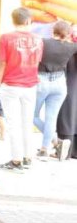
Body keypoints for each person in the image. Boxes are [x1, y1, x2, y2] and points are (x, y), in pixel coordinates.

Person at [0, 7, 44, 170]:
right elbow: (37, 62)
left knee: (13, 123)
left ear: (13, 20)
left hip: (10, 84)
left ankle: (16, 160)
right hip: (31, 84)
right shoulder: (38, 39)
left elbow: (2, 63)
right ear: (28, 20)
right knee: (26, 122)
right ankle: (27, 157)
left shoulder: (5, 38)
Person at [34, 21, 77, 158]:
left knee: (33, 116)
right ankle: (45, 150)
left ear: (53, 30)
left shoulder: (43, 42)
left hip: (42, 80)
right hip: (60, 83)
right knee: (51, 118)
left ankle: (56, 141)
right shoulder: (71, 47)